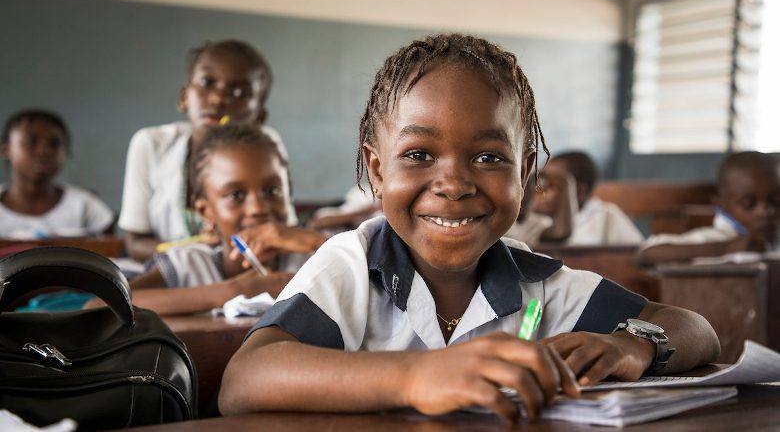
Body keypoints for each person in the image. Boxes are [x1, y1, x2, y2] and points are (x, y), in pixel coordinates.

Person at [219, 34, 719, 423]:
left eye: (488, 157)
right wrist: (417, 377)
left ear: (523, 173)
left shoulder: (539, 284)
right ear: (376, 171)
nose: (454, 184)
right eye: (418, 155)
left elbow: (697, 331)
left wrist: (634, 344)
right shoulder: (353, 263)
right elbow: (243, 381)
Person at [87, 125, 325, 316]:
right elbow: (98, 306)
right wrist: (234, 290)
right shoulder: (190, 263)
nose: (257, 209)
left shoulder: (314, 258)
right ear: (205, 211)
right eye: (236, 195)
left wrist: (318, 242)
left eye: (273, 191)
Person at [118, 39, 296, 262]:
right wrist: (196, 254)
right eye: (206, 82)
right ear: (184, 97)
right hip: (170, 274)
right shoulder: (150, 144)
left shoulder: (267, 145)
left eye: (240, 93)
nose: (218, 98)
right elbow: (135, 244)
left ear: (259, 116)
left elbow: (283, 230)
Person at [636, 151, 780, 265]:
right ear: (722, 205)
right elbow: (646, 255)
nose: (765, 212)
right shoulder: (711, 239)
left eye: (776, 202)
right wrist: (728, 248)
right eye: (748, 204)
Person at [0, 109, 114, 239]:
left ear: (66, 151)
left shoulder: (86, 206)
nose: (43, 151)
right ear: (5, 150)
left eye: (54, 144)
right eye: (30, 142)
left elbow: (110, 252)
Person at [534, 151, 643, 246]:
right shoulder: (537, 219)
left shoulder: (606, 215)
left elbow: (634, 252)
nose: (541, 192)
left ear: (580, 191)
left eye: (551, 185)